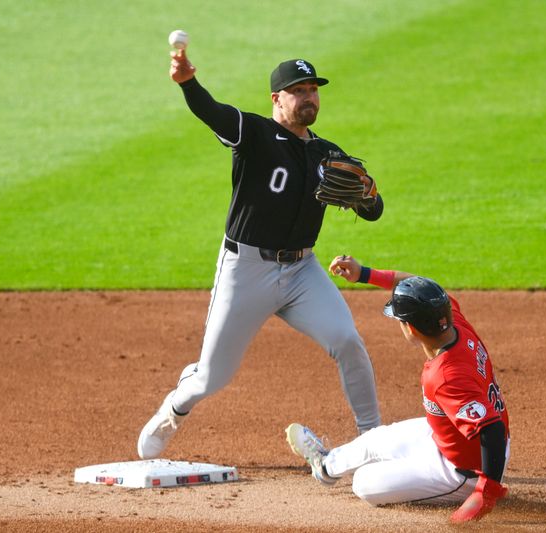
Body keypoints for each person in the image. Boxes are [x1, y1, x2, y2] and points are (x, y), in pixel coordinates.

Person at [136, 50, 384, 459]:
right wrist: (186, 83)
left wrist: (368, 196)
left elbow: (373, 211)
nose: (309, 98)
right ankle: (172, 410)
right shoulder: (252, 132)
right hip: (246, 270)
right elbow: (210, 110)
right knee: (213, 377)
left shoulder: (328, 153)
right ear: (276, 99)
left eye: (313, 91)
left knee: (347, 340)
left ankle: (372, 437)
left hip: (303, 271)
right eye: (298, 91)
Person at [285, 255, 510, 523]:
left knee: (364, 483)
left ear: (411, 329)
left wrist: (487, 490)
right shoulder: (452, 320)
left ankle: (439, 482)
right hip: (451, 435)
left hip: (463, 471)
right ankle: (325, 465)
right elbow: (417, 285)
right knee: (373, 441)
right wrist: (365, 274)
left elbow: (491, 429)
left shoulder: (446, 376)